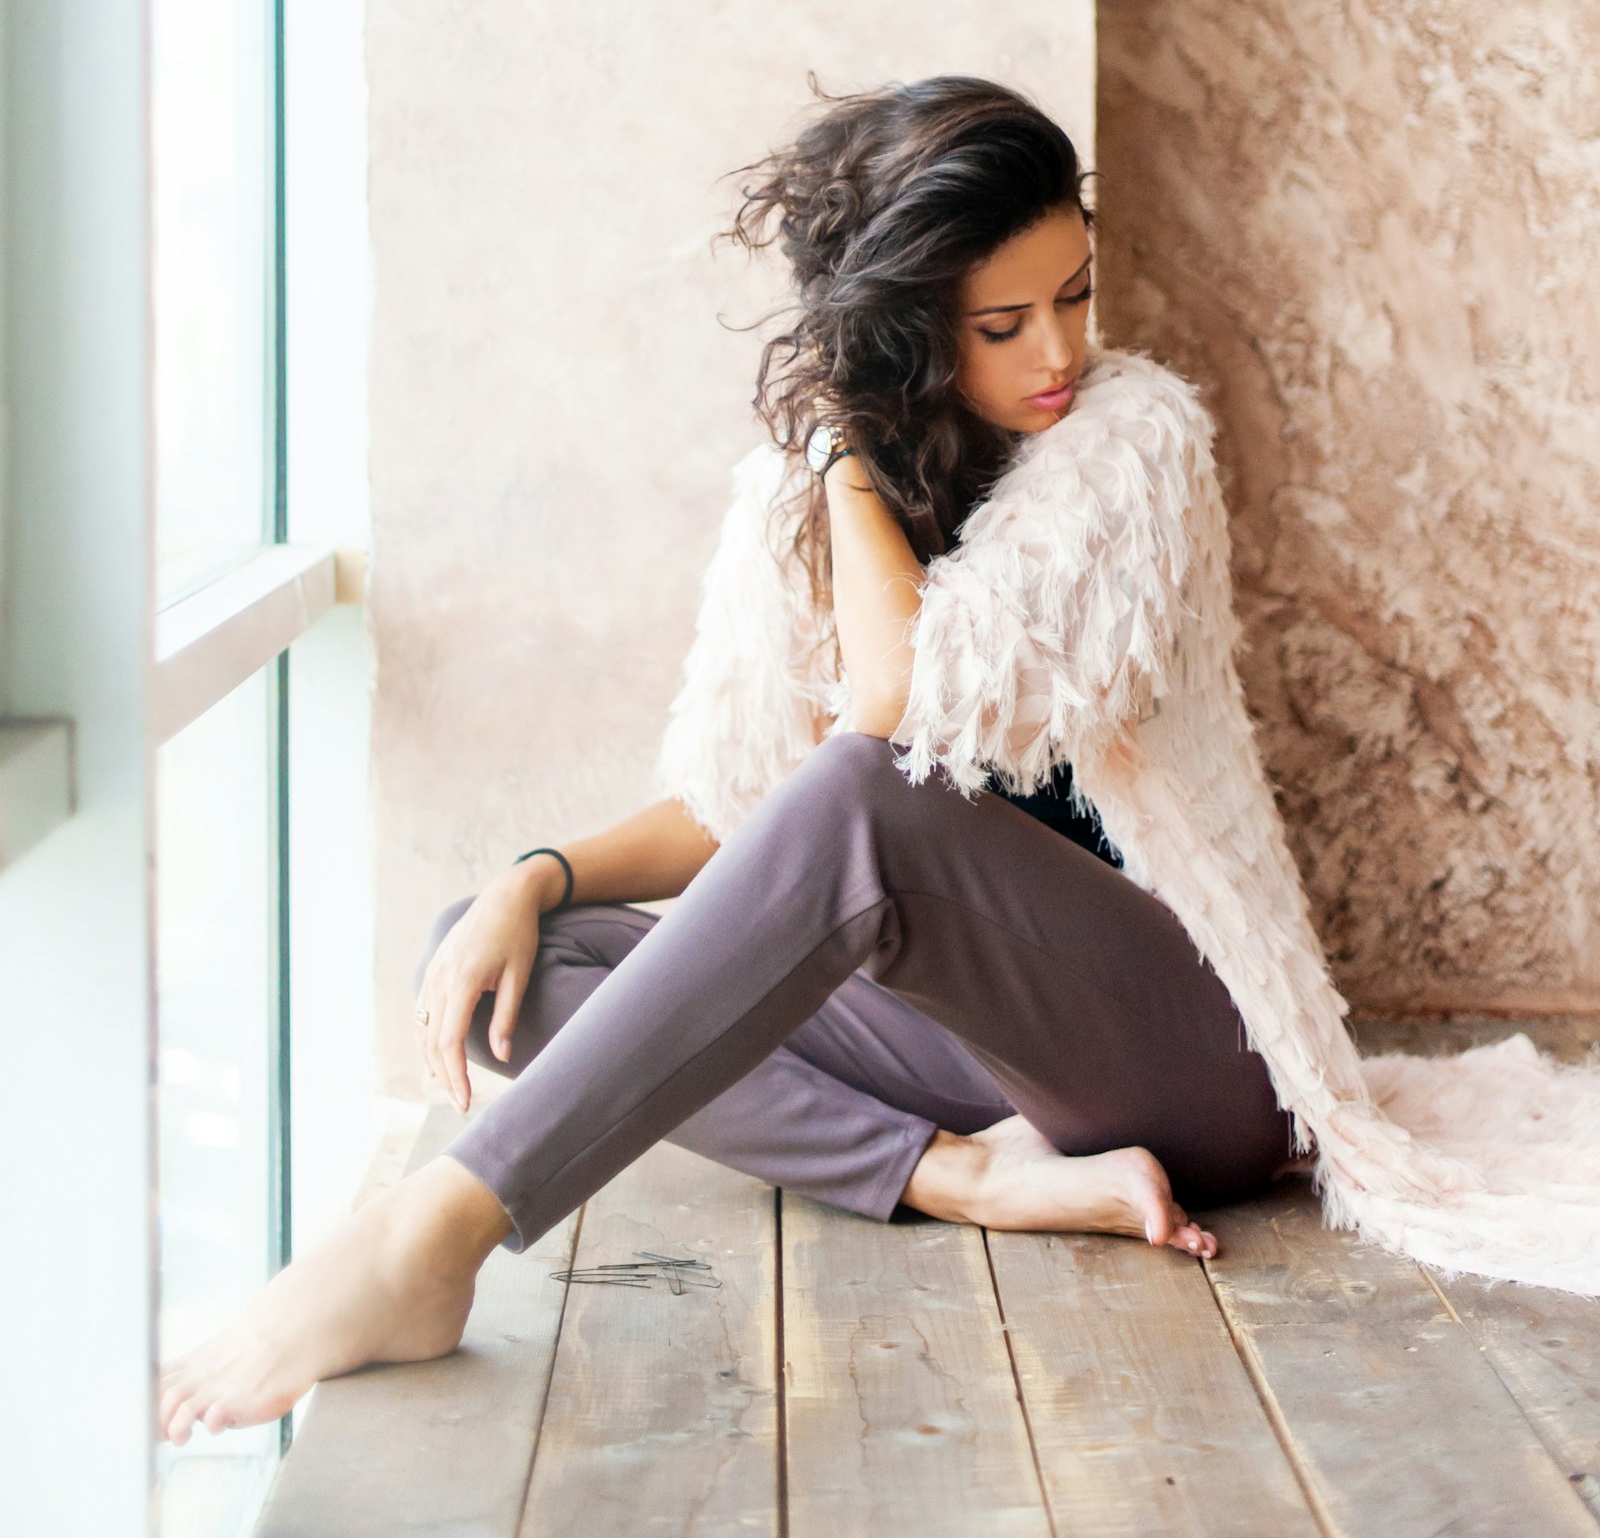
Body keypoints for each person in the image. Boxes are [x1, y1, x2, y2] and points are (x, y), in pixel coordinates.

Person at [158, 74, 1300, 1448]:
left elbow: (888, 722)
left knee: (874, 800)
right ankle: (955, 1178)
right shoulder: (811, 497)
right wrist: (539, 874)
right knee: (502, 964)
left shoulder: (1128, 444)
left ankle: (437, 1231)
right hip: (980, 1068)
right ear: (907, 334)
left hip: (1196, 1051)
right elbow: (760, 812)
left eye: (1074, 292)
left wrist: (844, 458)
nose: (1058, 347)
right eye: (1004, 323)